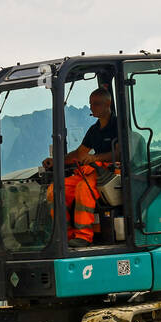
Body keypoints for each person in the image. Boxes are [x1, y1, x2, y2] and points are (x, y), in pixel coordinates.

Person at [45, 84, 120, 246]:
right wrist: (56, 161)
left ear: (108, 104)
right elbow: (79, 154)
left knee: (83, 188)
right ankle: (66, 236)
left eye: (96, 103)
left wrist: (94, 158)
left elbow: (119, 153)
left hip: (109, 173)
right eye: (91, 103)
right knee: (55, 189)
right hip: (91, 171)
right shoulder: (94, 130)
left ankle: (83, 237)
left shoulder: (118, 125)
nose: (92, 107)